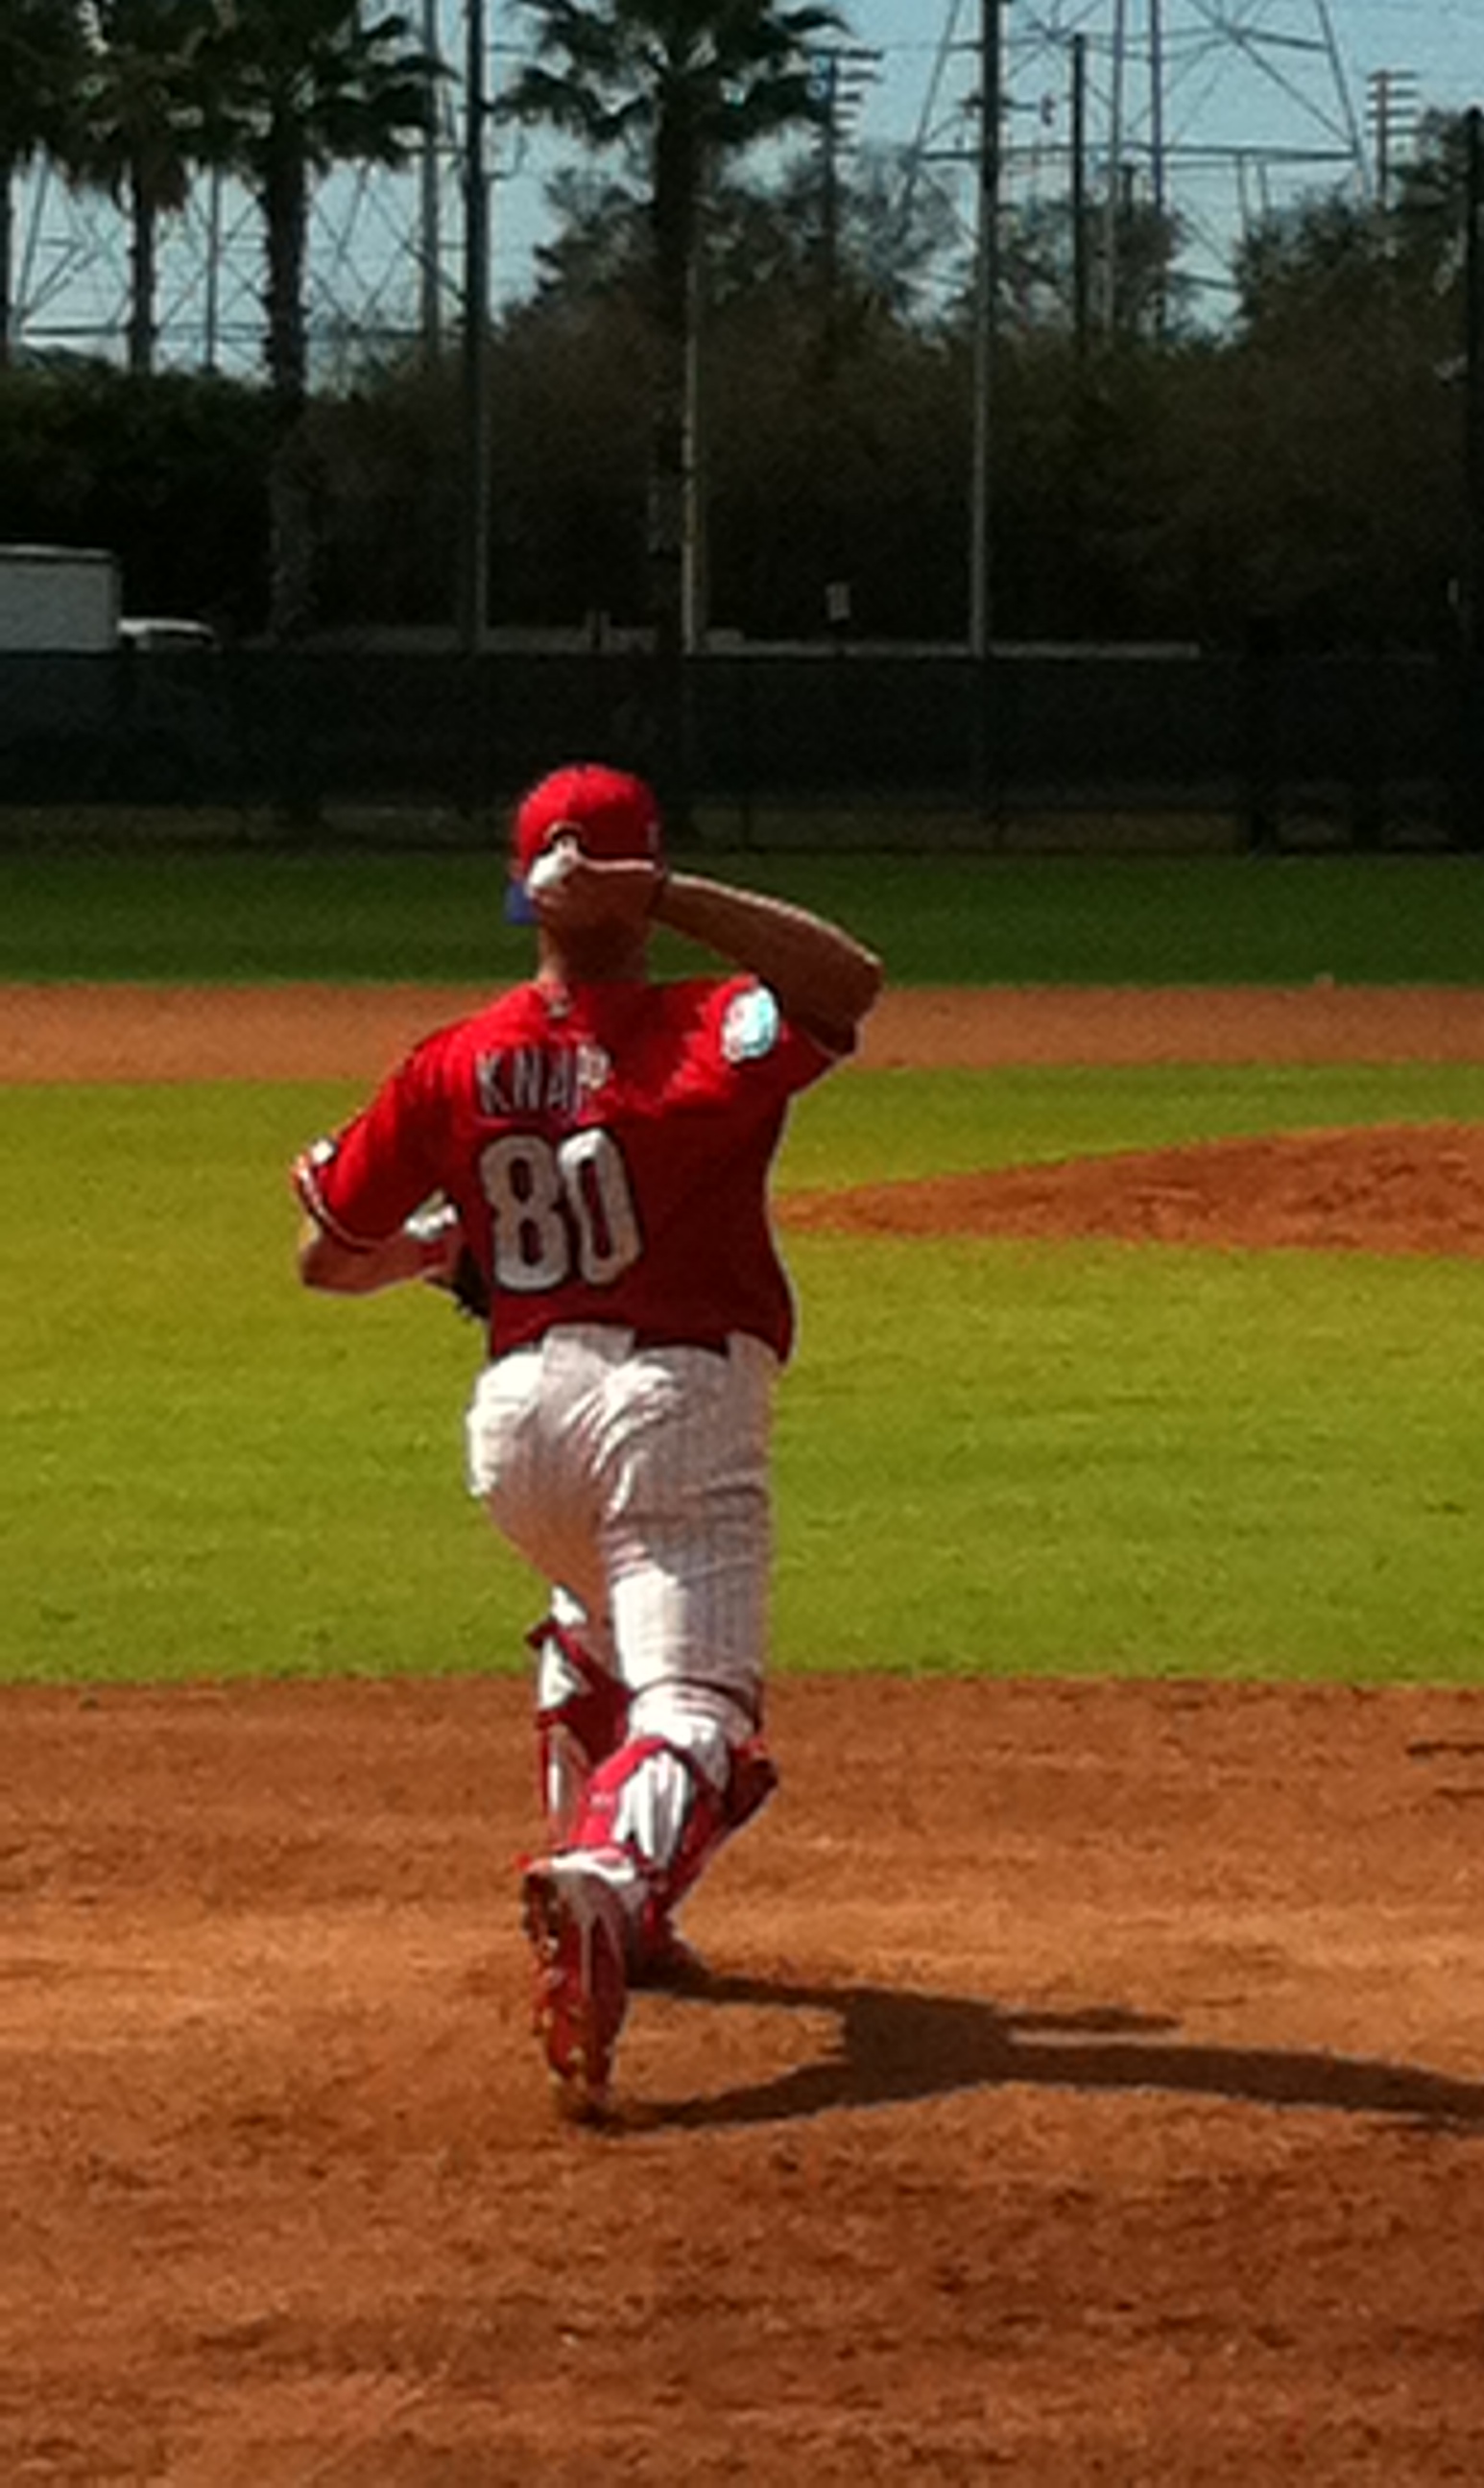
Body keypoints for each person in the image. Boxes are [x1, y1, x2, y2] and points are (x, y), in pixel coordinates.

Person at [291, 764, 884, 2117]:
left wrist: (442, 1245)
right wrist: (664, 897)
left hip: (518, 1426)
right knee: (701, 1711)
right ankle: (606, 1882)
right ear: (636, 875)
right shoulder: (702, 1029)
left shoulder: (451, 1061)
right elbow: (847, 979)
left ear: (521, 889)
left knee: (591, 1623)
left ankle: (625, 1897)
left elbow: (326, 1256)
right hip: (671, 1408)